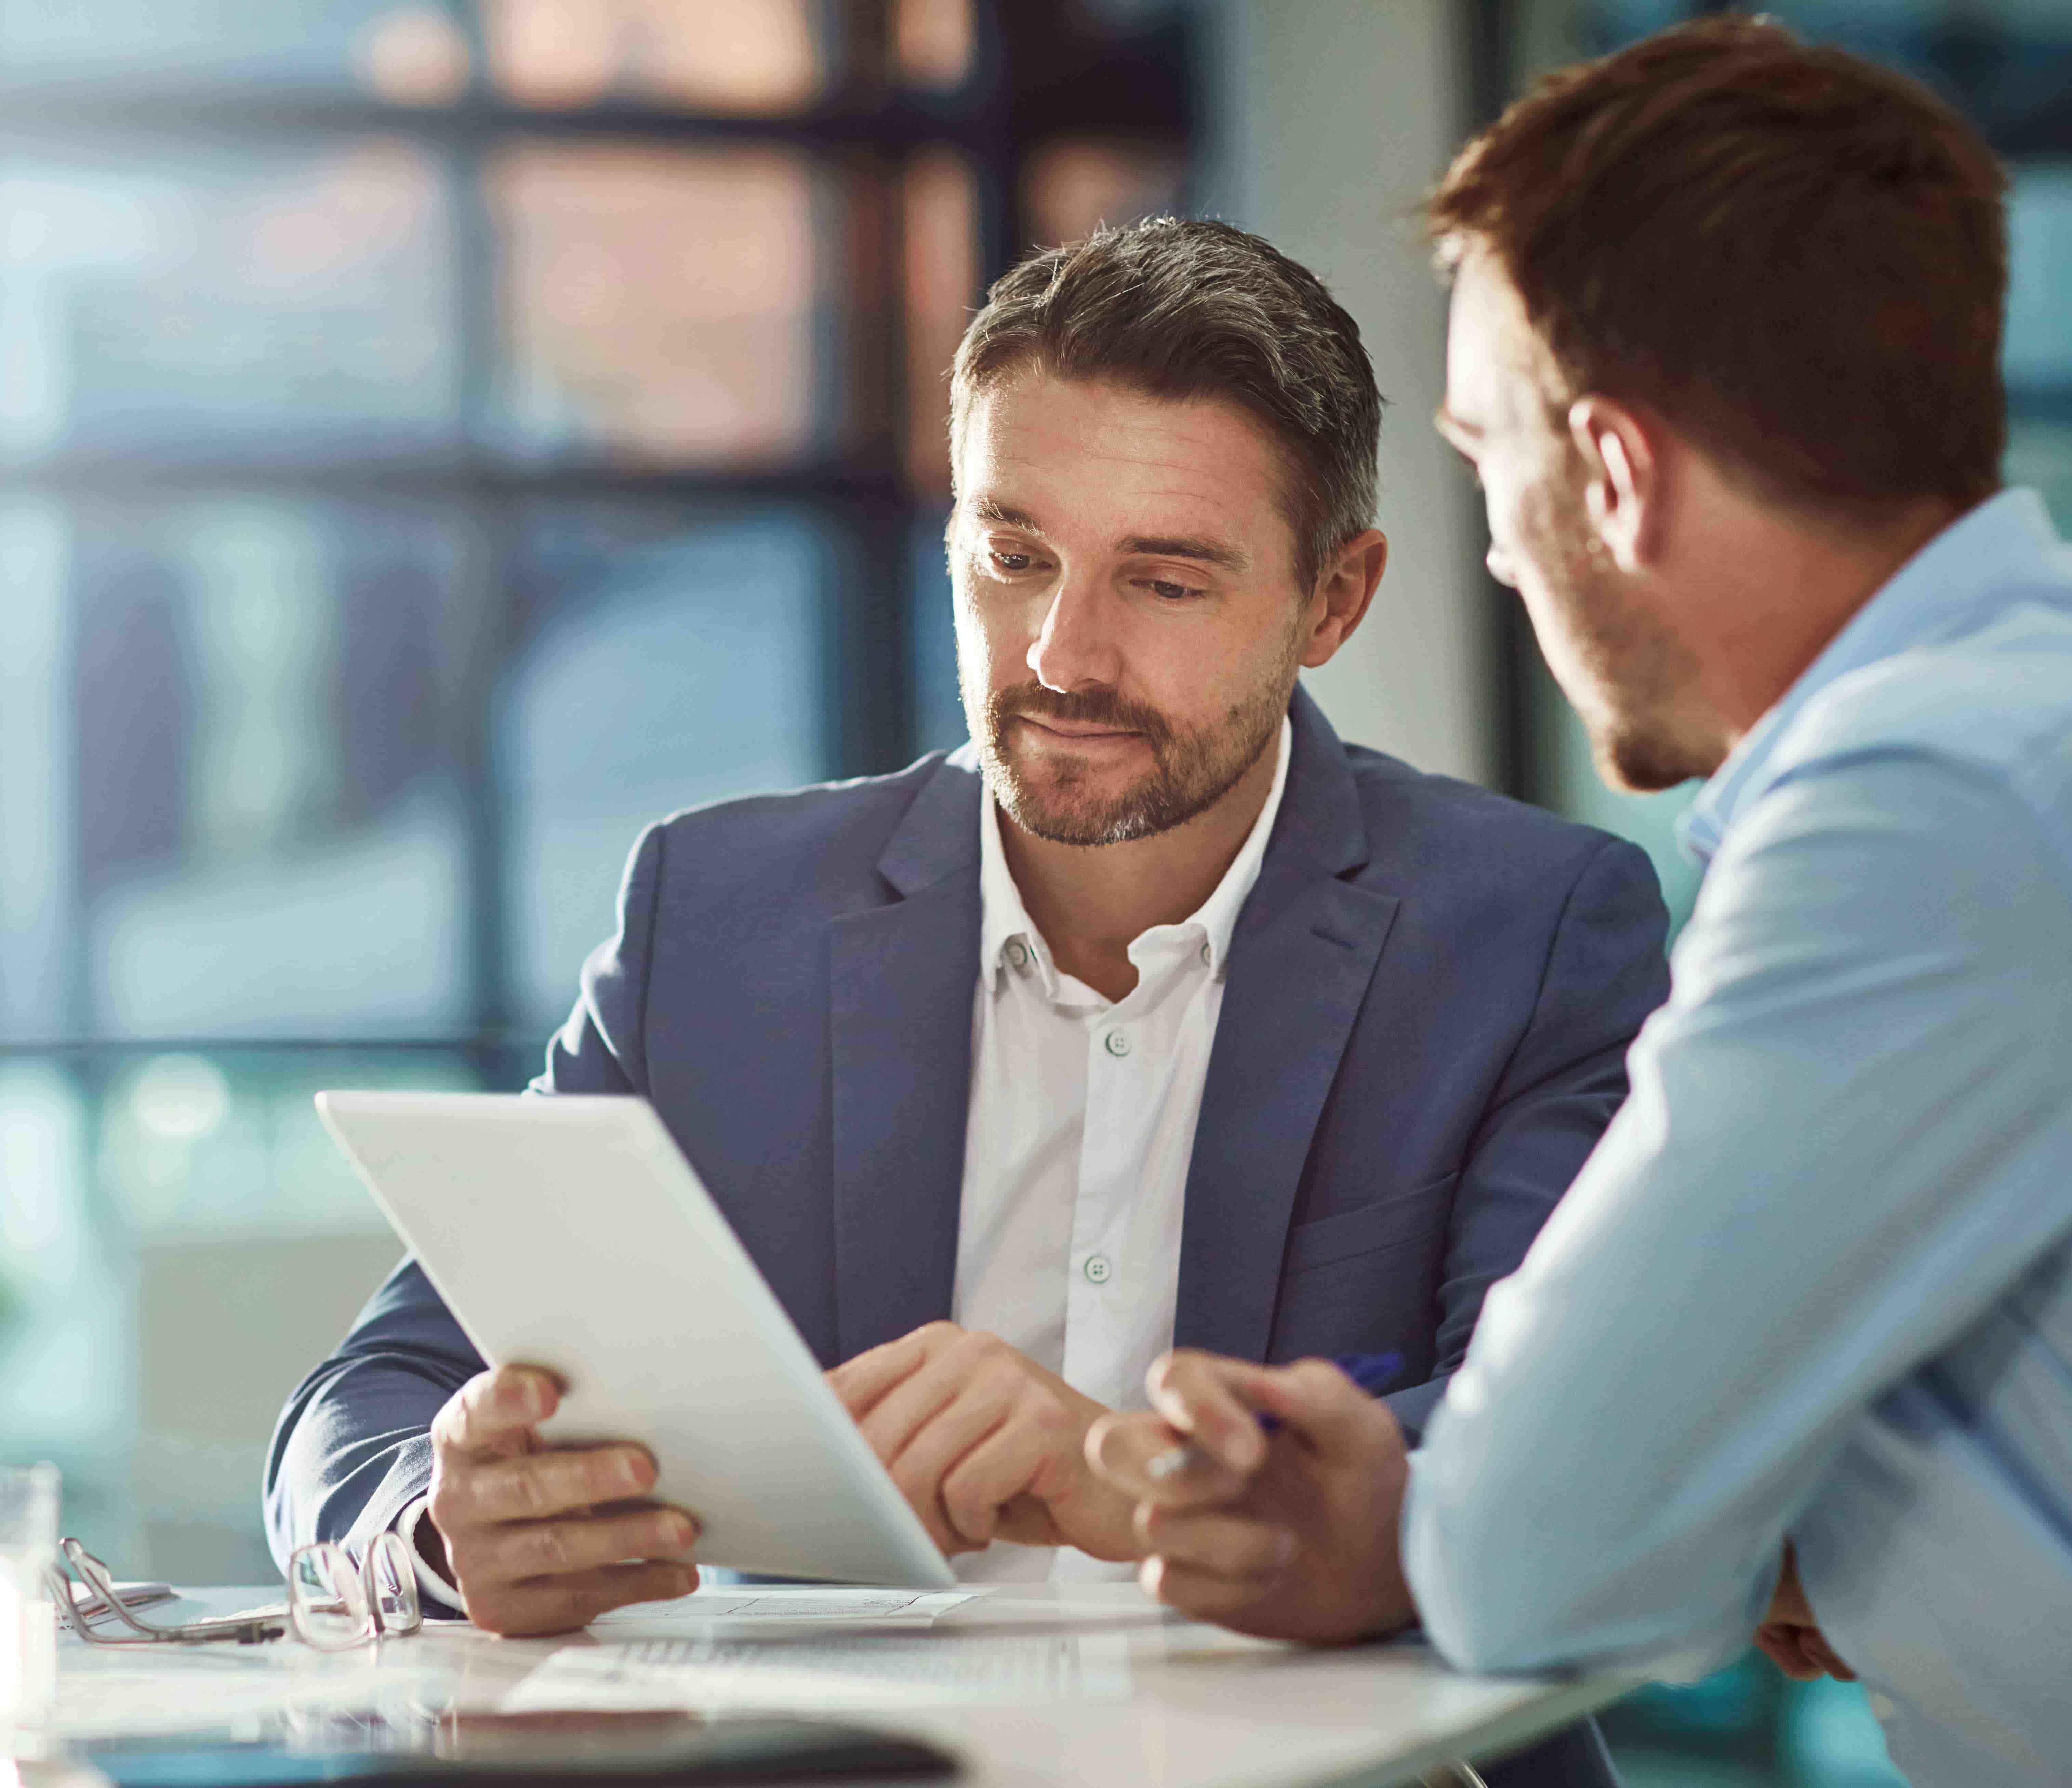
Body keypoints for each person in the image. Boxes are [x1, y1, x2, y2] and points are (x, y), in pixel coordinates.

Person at [1087, 21, 2072, 1787]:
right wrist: (1769, 1531)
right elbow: (1689, 1519)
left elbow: (1535, 1553)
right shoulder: (2046, 719)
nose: (1498, 548)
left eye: (1485, 459)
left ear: (1611, 472)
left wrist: (1435, 1522)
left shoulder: (1938, 803)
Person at [265, 217, 1663, 1788]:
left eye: (1165, 579)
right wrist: (445, 1527)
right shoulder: (715, 915)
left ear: (1331, 604)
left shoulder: (1530, 928)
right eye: (1013, 557)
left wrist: (1123, 1472)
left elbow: (1553, 1456)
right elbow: (373, 1397)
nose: (1064, 653)